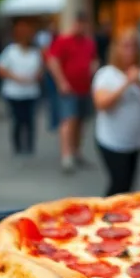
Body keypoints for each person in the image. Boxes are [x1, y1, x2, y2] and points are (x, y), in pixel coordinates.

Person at [92, 29, 140, 195]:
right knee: (118, 183)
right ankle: (106, 214)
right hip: (112, 142)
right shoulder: (106, 74)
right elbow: (101, 103)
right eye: (126, 46)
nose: (130, 51)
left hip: (135, 142)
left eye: (134, 47)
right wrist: (125, 84)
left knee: (129, 186)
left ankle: (121, 215)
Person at [46, 12, 99, 172]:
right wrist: (61, 82)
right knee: (68, 120)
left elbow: (93, 59)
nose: (81, 27)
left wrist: (93, 70)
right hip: (69, 88)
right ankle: (66, 155)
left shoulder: (89, 43)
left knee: (80, 122)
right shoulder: (63, 41)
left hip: (84, 87)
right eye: (79, 23)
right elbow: (52, 61)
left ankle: (76, 151)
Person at [0, 18, 44, 156]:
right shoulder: (10, 51)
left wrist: (35, 76)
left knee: (30, 120)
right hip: (14, 92)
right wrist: (16, 78)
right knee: (17, 120)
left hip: (31, 91)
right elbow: (1, 68)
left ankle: (29, 146)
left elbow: (41, 68)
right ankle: (17, 146)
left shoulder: (35, 52)